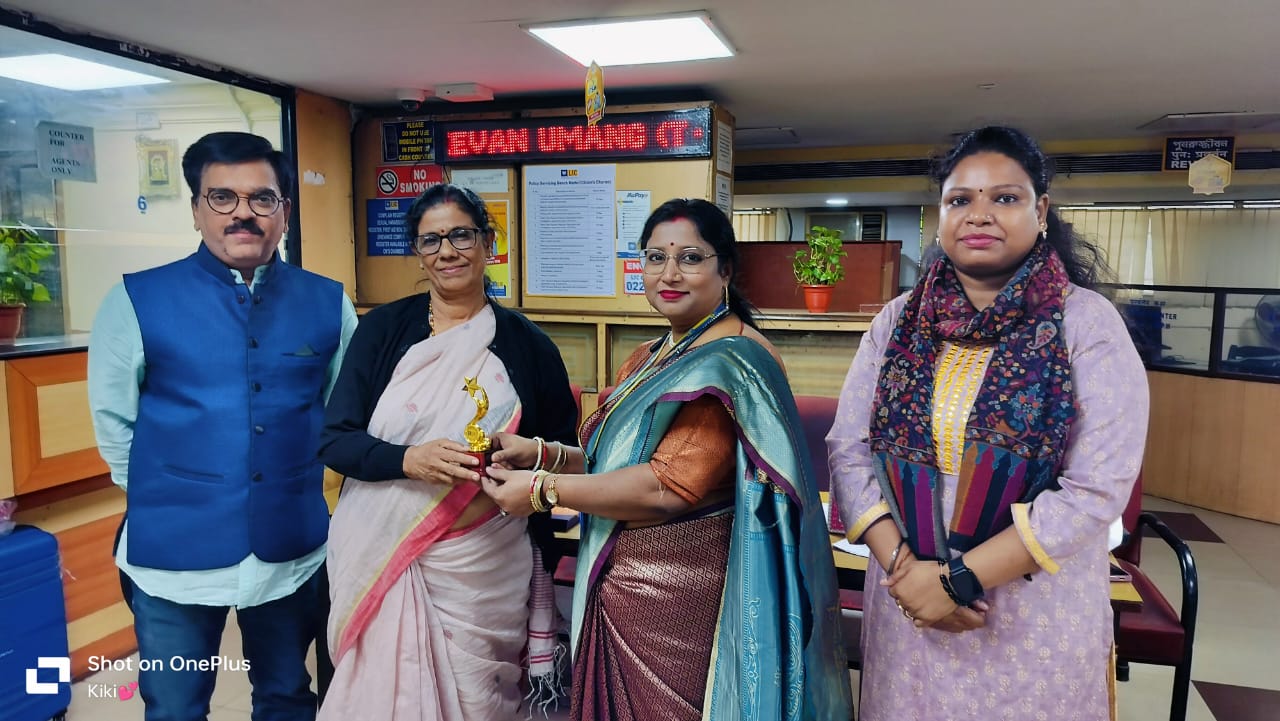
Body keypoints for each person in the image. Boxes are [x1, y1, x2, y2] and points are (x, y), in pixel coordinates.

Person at [480, 198, 852, 721]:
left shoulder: (733, 364)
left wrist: (542, 491)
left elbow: (667, 487)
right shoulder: (653, 352)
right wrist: (541, 453)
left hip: (679, 603)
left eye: (690, 258)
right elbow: (611, 460)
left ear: (725, 269)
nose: (669, 273)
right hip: (620, 584)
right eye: (655, 257)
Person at [828, 126, 1149, 721]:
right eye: (960, 200)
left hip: (1029, 607)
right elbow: (849, 450)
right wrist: (909, 573)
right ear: (940, 213)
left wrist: (955, 583)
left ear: (1042, 211)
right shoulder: (899, 321)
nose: (980, 215)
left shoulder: (1085, 324)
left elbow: (1096, 489)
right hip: (908, 602)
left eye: (1005, 198)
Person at [88, 131, 358, 721]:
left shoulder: (328, 302)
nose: (243, 213)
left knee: (287, 698)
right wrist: (175, 491)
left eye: (262, 198)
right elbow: (115, 425)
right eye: (222, 197)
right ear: (195, 210)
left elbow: (342, 414)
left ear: (284, 212)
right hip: (172, 558)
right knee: (175, 707)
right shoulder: (135, 300)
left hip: (292, 552)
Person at [317, 183, 579, 721]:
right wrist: (407, 459)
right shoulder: (383, 331)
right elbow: (336, 439)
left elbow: (565, 453)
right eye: (431, 239)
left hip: (487, 568)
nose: (447, 251)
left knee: (480, 702)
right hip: (385, 553)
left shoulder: (529, 346)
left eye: (461, 235)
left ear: (487, 243)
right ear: (417, 250)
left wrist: (525, 459)